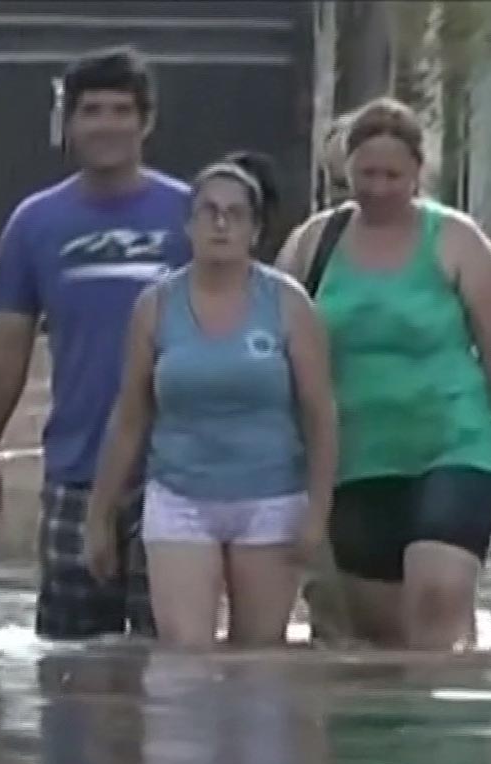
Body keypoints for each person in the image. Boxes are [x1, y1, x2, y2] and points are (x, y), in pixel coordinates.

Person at [275, 97, 491, 653]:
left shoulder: (457, 241)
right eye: (366, 174)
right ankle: (417, 724)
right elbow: (276, 350)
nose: (378, 188)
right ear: (345, 170)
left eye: (392, 175)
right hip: (358, 458)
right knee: (385, 639)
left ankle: (449, 730)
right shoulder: (313, 244)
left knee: (438, 595)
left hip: (455, 442)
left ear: (418, 173)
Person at [0, 46, 194, 641]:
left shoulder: (192, 215)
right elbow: (9, 346)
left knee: (171, 650)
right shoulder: (36, 223)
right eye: (92, 110)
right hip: (75, 469)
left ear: (146, 121)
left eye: (122, 110)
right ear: (69, 125)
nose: (107, 124)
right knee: (70, 657)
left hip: (180, 473)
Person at [81, 152, 338, 650]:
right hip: (180, 497)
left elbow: (320, 413)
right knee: (185, 655)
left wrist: (317, 512)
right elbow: (131, 416)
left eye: (235, 214)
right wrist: (100, 516)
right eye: (208, 212)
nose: (221, 224)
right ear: (189, 225)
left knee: (258, 658)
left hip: (270, 497)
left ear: (255, 230)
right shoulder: (156, 306)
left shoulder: (287, 304)